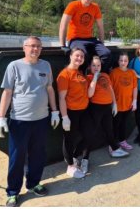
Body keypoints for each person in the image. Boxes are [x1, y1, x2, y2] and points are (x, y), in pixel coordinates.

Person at [0, 36, 59, 207]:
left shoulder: (45, 65)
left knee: (38, 154)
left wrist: (55, 112)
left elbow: (50, 89)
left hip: (41, 120)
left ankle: (33, 184)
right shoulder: (14, 66)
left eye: (38, 46)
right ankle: (13, 192)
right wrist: (1, 118)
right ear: (24, 47)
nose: (35, 49)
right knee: (17, 158)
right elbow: (7, 92)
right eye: (32, 46)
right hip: (20, 121)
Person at [59, 0, 112, 70]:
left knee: (107, 54)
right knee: (83, 55)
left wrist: (102, 44)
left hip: (90, 39)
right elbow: (63, 25)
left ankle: (98, 75)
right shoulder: (73, 5)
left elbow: (100, 27)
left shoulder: (95, 8)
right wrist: (62, 45)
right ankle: (82, 78)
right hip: (75, 39)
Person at [86, 56, 129, 159]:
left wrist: (114, 103)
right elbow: (90, 94)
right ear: (89, 66)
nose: (96, 67)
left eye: (98, 65)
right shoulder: (88, 78)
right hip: (96, 107)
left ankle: (114, 149)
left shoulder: (105, 75)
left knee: (109, 129)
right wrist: (95, 78)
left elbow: (111, 90)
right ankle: (84, 155)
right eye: (94, 65)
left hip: (107, 107)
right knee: (91, 131)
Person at [57, 48, 90, 179]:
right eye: (77, 55)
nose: (79, 58)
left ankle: (75, 156)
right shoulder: (64, 75)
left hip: (84, 111)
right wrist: (65, 117)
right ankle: (70, 166)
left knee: (88, 134)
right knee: (69, 139)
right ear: (70, 56)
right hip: (71, 112)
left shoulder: (80, 73)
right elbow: (61, 98)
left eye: (82, 56)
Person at [110, 52, 138, 151]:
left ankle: (122, 141)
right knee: (115, 125)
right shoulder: (114, 72)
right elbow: (110, 89)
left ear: (128, 62)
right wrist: (113, 103)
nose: (123, 62)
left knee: (123, 124)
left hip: (127, 104)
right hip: (117, 105)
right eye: (121, 60)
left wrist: (134, 100)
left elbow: (135, 88)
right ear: (118, 61)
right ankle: (112, 144)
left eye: (125, 60)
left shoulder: (131, 73)